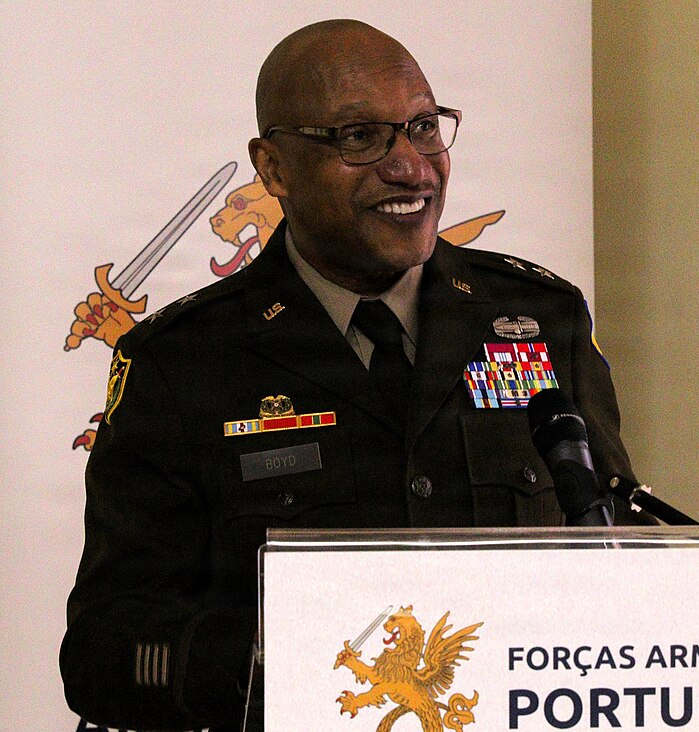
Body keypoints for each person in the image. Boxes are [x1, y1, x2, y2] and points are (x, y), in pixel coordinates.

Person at [60, 19, 643, 732]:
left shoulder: (537, 320)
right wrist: (297, 662)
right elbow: (105, 650)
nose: (411, 167)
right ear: (272, 169)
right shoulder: (184, 362)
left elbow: (617, 555)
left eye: (424, 127)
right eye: (360, 137)